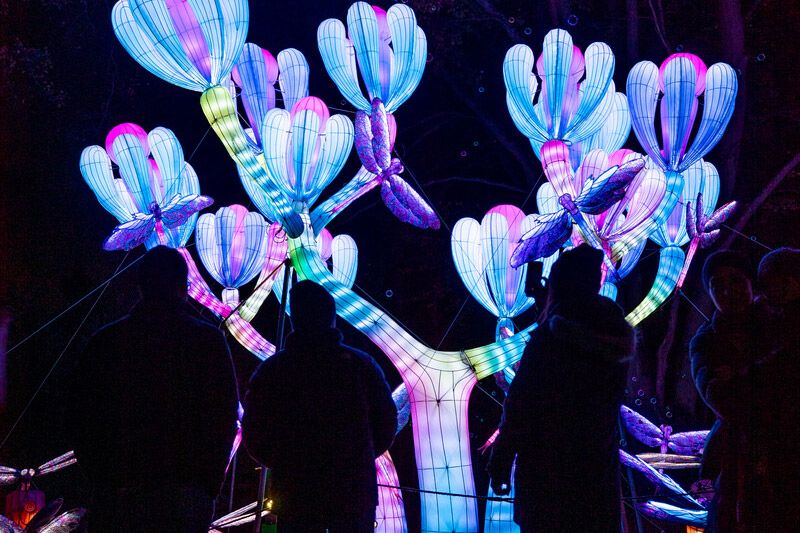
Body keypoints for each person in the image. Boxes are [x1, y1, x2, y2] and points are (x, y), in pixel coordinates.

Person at [68, 246, 239, 532]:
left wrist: (100, 477)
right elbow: (223, 417)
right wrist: (209, 484)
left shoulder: (105, 341)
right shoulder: (206, 341)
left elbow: (81, 417)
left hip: (119, 491)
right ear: (184, 288)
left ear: (140, 285)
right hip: (184, 491)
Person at [489, 244, 634, 533]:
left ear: (560, 285)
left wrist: (501, 462)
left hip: (547, 483)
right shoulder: (615, 335)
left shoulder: (548, 342)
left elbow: (520, 408)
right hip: (597, 482)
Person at [242, 280, 397, 533]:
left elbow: (255, 434)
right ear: (332, 317)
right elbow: (386, 425)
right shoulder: (360, 365)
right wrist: (359, 457)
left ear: (295, 318)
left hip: (295, 491)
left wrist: (285, 462)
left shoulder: (273, 371)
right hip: (353, 490)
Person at [690, 250, 769, 532]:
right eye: (716, 285)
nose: (726, 290)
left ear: (751, 282)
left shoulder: (780, 325)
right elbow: (722, 399)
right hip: (736, 464)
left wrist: (738, 378)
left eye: (735, 280)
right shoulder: (705, 342)